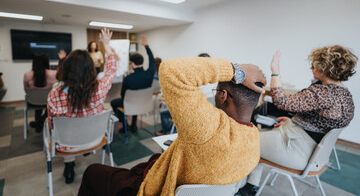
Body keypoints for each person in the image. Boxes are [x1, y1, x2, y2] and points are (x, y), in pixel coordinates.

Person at [78, 57, 266, 196]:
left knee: (93, 172)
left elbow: (171, 71)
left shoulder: (207, 127)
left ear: (223, 96)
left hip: (152, 189)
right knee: (153, 158)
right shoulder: (254, 140)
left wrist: (234, 70)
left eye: (216, 92)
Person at [236, 45, 358, 196]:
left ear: (324, 68)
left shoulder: (323, 92)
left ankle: (234, 189)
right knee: (257, 138)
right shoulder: (345, 94)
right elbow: (322, 122)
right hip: (313, 153)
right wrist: (294, 121)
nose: (312, 67)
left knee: (243, 141)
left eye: (315, 64)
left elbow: (281, 102)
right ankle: (250, 187)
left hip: (297, 150)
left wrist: (275, 70)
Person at [47, 28, 116, 184]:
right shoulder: (100, 89)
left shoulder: (54, 94)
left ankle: (69, 168)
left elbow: (52, 125)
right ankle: (83, 151)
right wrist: (106, 44)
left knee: (65, 132)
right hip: (95, 140)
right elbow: (111, 70)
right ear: (91, 69)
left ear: (67, 68)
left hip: (66, 145)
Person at [155, 53, 216, 136]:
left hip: (192, 114)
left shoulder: (194, 80)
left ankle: (166, 132)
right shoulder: (216, 80)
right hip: (210, 115)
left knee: (164, 113)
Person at [110, 35, 155, 133]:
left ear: (133, 64)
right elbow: (152, 61)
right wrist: (146, 46)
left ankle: (125, 123)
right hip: (144, 103)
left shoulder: (128, 79)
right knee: (135, 99)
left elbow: (123, 95)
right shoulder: (150, 74)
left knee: (114, 102)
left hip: (131, 104)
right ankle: (133, 124)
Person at [23, 52, 57, 132]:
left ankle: (39, 123)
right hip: (49, 103)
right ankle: (41, 120)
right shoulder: (53, 73)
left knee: (38, 100)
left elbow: (25, 89)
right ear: (46, 61)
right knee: (49, 101)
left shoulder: (27, 75)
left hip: (32, 102)